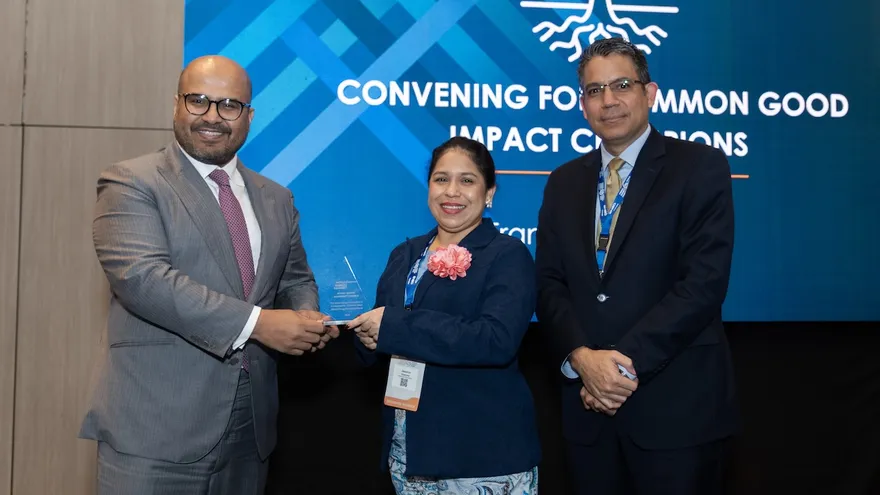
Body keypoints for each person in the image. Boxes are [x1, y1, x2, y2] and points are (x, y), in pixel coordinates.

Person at [79, 55, 339, 494]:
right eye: (198, 101)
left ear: (249, 116)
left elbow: (294, 279)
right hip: (154, 432)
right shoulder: (131, 182)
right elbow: (143, 280)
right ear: (176, 105)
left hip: (250, 431)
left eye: (229, 105)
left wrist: (306, 319)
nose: (213, 117)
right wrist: (260, 324)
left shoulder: (276, 198)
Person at [535, 37, 740, 495]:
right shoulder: (563, 182)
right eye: (594, 90)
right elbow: (549, 284)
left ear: (649, 94)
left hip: (676, 413)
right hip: (586, 413)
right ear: (582, 106)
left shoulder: (699, 166)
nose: (608, 100)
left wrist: (618, 370)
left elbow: (703, 284)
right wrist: (582, 359)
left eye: (621, 85)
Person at [348, 136, 541, 494]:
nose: (451, 191)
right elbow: (381, 344)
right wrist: (361, 335)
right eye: (441, 179)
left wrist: (393, 326)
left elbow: (495, 340)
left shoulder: (507, 256)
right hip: (408, 453)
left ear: (489, 193)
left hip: (479, 456)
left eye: (467, 180)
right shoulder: (404, 254)